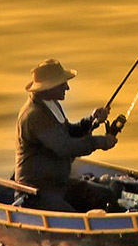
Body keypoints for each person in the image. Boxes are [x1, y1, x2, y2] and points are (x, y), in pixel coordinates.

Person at [15, 58, 118, 212]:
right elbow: (64, 147)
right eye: (62, 84)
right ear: (48, 87)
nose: (67, 87)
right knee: (74, 218)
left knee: (106, 195)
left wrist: (91, 121)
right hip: (36, 192)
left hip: (58, 184)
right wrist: (100, 142)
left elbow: (68, 132)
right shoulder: (34, 115)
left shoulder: (51, 104)